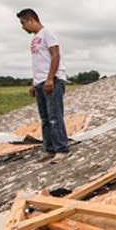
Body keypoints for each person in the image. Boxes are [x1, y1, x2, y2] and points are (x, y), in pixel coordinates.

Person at [17, 8, 70, 163]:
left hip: (52, 81)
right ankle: (49, 149)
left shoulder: (48, 33)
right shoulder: (35, 39)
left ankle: (61, 149)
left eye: (23, 23)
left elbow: (55, 55)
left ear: (31, 20)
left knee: (55, 117)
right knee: (45, 118)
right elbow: (39, 63)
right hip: (40, 82)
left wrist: (50, 78)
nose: (23, 27)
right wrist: (34, 83)